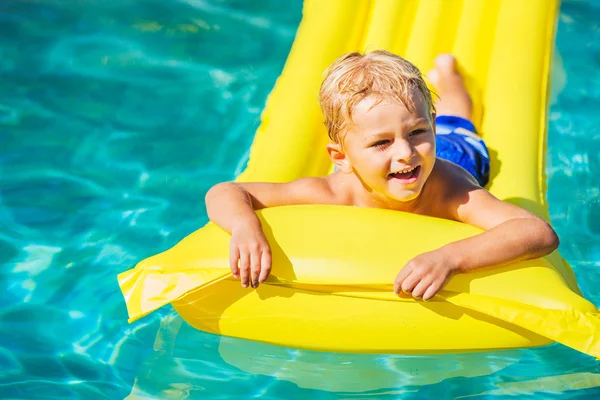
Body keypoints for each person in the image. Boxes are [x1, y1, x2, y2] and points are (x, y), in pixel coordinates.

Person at [205, 50, 559, 301]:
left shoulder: (451, 190)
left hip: (455, 154)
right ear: (340, 158)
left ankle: (450, 83)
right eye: (381, 143)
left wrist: (451, 257)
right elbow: (225, 192)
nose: (405, 152)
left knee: (458, 123)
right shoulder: (334, 192)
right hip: (416, 151)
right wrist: (245, 227)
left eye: (418, 131)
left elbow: (537, 232)